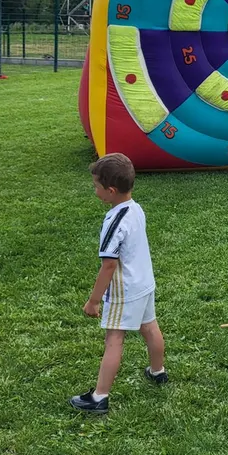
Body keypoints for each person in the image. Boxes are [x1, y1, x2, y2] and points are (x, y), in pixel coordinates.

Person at [70, 153, 167, 414]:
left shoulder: (114, 221)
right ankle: (158, 371)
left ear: (110, 191)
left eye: (96, 186)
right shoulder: (136, 208)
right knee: (149, 327)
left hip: (126, 290)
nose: (95, 190)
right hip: (145, 283)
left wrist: (93, 301)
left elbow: (109, 265)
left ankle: (99, 397)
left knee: (114, 339)